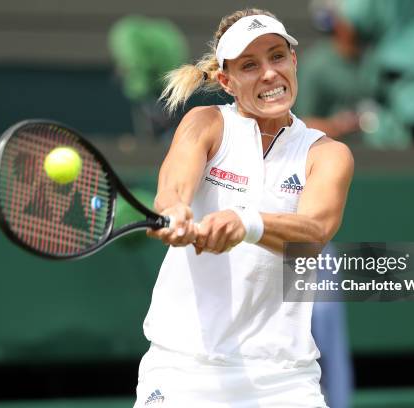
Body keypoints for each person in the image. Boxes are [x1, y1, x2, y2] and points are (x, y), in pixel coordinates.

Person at [135, 8, 353, 407]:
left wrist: (244, 223)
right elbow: (172, 191)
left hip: (284, 380)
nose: (269, 74)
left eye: (277, 56)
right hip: (184, 369)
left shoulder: (328, 154)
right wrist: (177, 213)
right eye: (250, 65)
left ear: (294, 61)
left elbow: (314, 231)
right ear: (226, 81)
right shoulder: (205, 123)